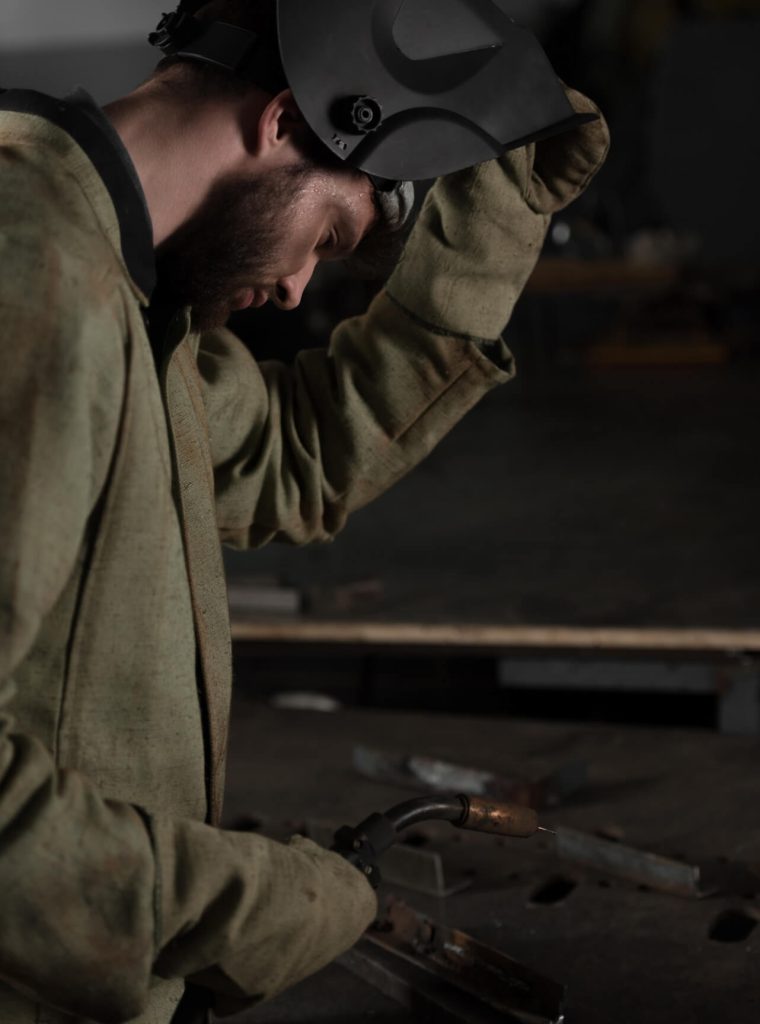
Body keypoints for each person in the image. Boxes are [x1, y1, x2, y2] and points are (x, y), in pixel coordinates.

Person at [0, 1, 609, 1022]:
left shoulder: (124, 292)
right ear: (282, 121)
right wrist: (240, 907)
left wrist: (491, 222)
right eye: (328, 233)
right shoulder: (31, 280)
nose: (293, 288)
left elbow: (292, 453)